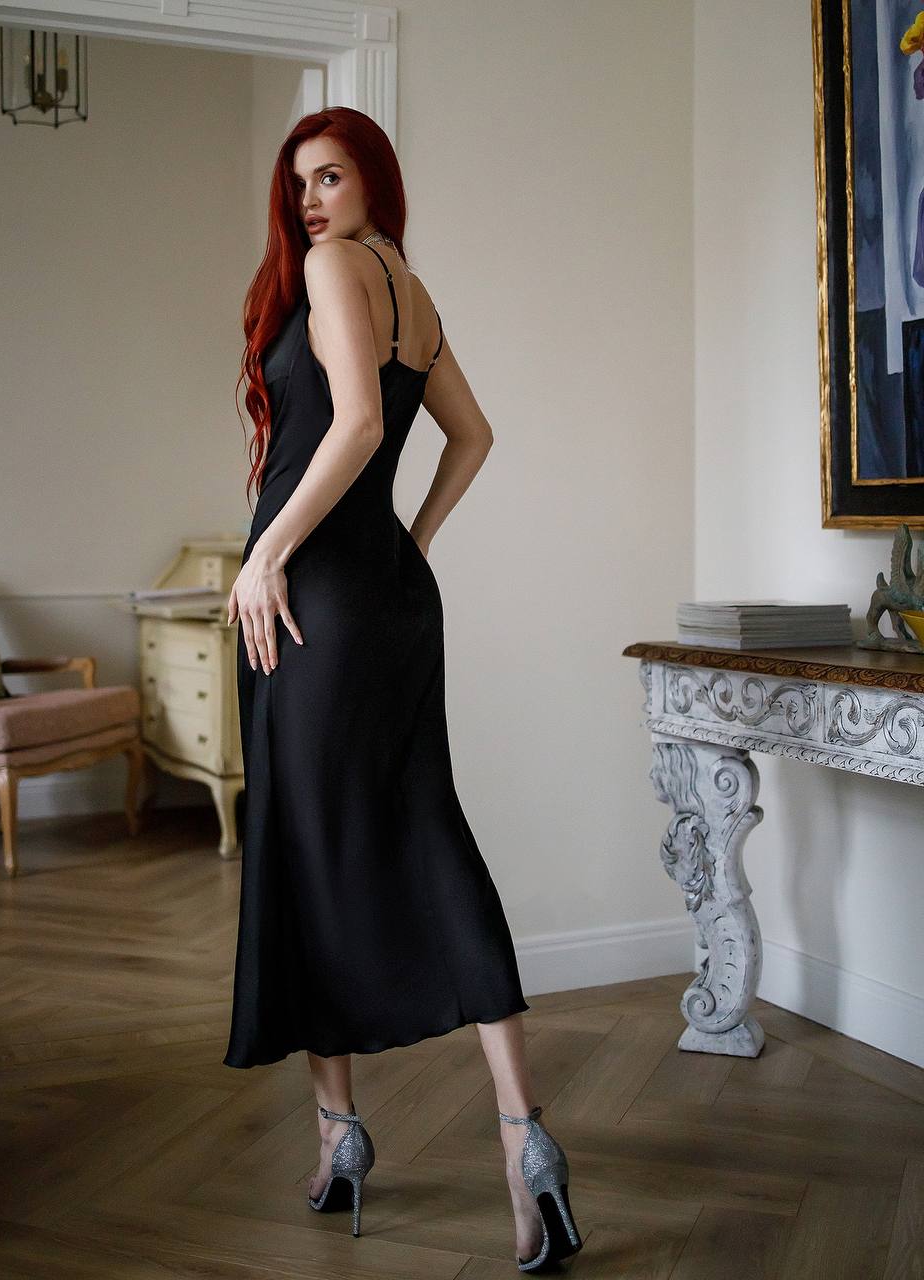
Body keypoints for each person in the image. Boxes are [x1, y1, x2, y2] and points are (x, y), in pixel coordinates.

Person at [222, 106, 582, 1272]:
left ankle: (340, 1129)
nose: (312, 202)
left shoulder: (333, 268)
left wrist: (270, 549)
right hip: (384, 599)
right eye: (299, 187)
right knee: (427, 838)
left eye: (331, 176)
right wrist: (407, 538)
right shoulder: (407, 289)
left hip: (313, 602)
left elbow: (364, 420)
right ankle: (523, 1133)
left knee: (310, 849)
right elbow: (470, 433)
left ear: (373, 178)